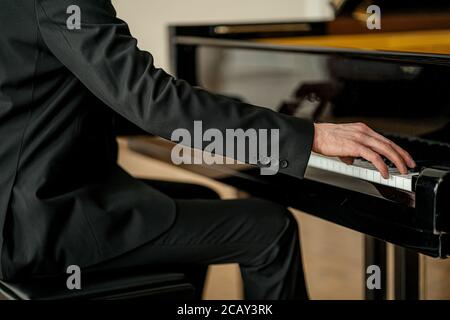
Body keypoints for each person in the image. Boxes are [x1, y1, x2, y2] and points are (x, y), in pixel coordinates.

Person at [0, 0, 415, 299]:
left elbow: (64, 97)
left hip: (24, 201)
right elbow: (151, 101)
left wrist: (223, 119)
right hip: (36, 223)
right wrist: (309, 137)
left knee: (202, 198)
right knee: (268, 229)